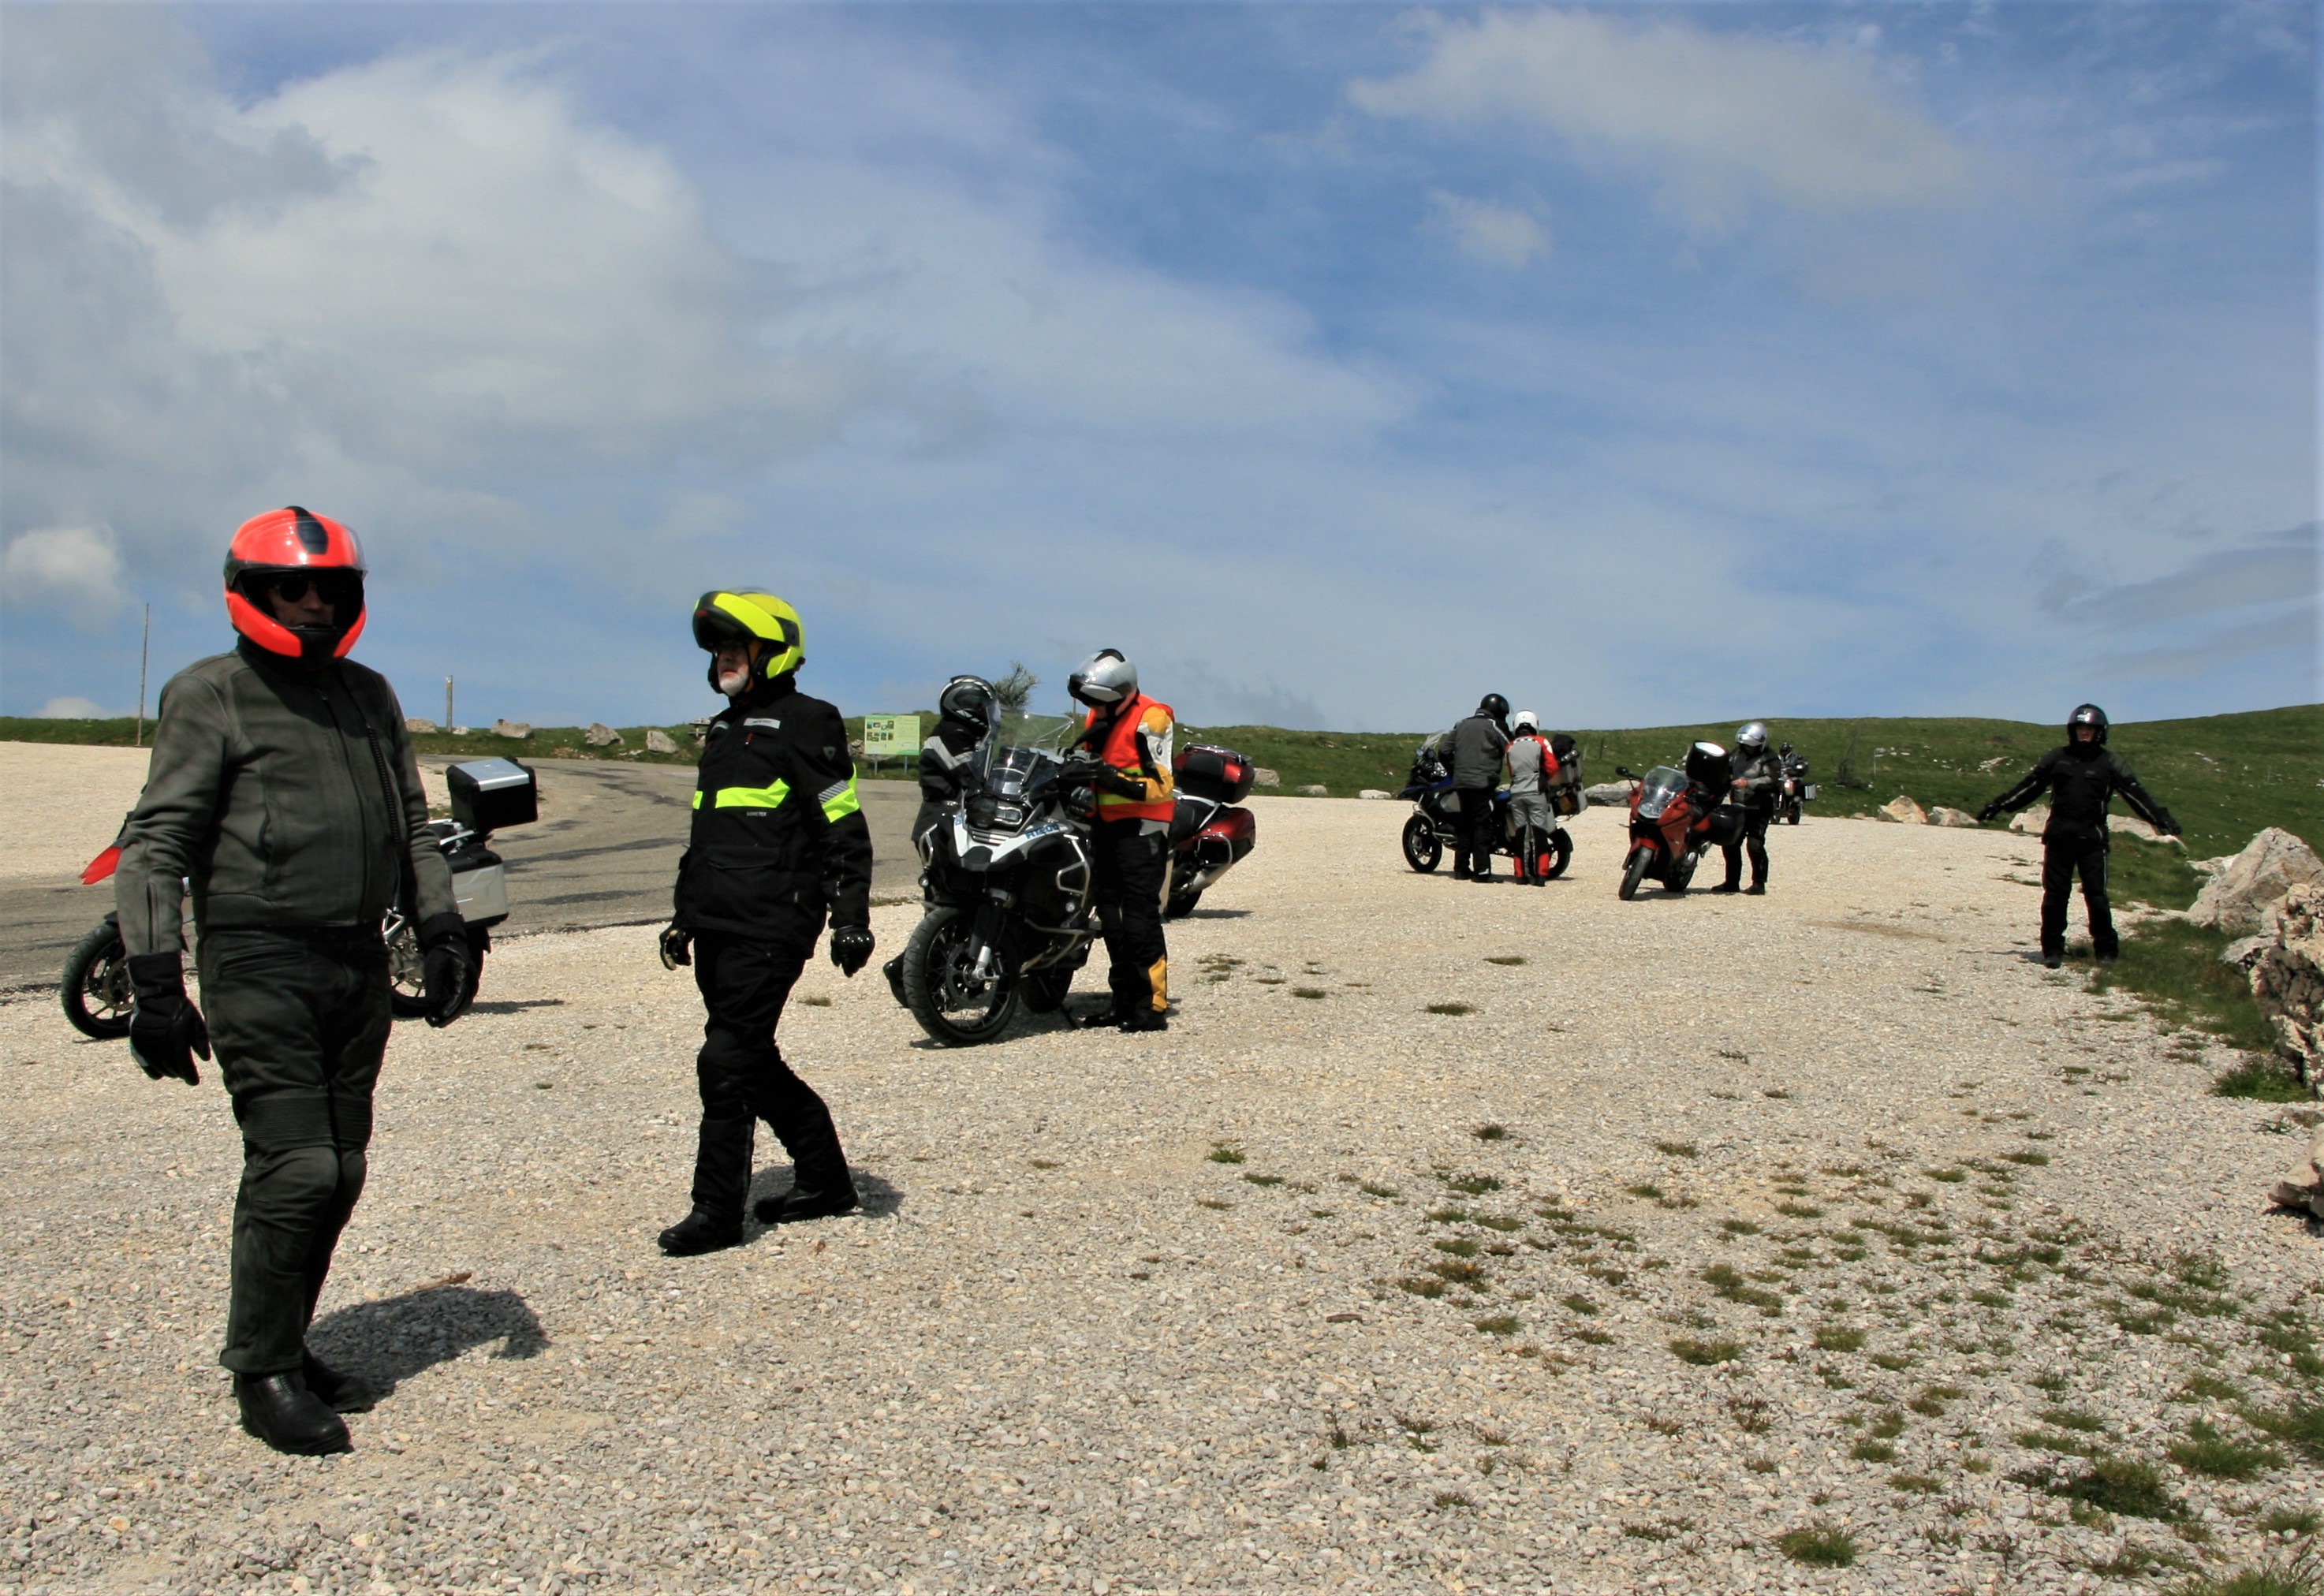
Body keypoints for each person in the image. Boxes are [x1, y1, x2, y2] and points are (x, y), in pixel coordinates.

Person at [114, 506, 472, 1456]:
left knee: (341, 1166)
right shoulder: (211, 693)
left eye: (329, 588)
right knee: (298, 1164)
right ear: (252, 592)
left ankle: (287, 1339)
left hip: (356, 959)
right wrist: (156, 982)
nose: (312, 601)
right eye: (291, 587)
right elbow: (156, 841)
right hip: (258, 955)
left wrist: (442, 928)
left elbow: (412, 821)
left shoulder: (368, 693)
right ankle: (261, 1370)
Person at [655, 589, 875, 1256]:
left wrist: (850, 917)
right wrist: (683, 916)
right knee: (751, 1058)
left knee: (724, 1061)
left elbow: (841, 822)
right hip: (717, 920)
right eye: (718, 649)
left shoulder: (810, 720)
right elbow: (707, 836)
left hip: (774, 921)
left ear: (774, 653)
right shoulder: (723, 731)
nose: (724, 658)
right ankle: (826, 1181)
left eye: (736, 646)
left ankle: (716, 1212)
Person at [1979, 703, 2180, 968]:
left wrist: (2160, 818)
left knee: (2097, 896)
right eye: (2080, 729)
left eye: (2090, 729)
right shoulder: (2057, 758)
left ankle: (2106, 951)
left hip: (2092, 840)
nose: (2084, 733)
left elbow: (2135, 794)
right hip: (2059, 837)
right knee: (2055, 896)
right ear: (2072, 731)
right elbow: (2030, 786)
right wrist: (2000, 804)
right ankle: (2052, 950)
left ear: (2100, 732)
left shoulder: (2111, 763)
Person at [1066, 649, 1175, 1032]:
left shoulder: (1152, 717)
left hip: (1142, 829)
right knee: (1111, 918)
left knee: (1138, 919)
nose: (1093, 708)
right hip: (1105, 828)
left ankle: (1151, 1007)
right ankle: (1123, 1002)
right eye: (1090, 702)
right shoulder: (1099, 714)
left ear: (1121, 695)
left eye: (1099, 702)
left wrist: (1109, 777)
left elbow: (1161, 785)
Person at [1448, 694, 1511, 881]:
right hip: (1483, 783)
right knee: (1482, 825)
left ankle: (1461, 869)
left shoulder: (1461, 724)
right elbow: (1511, 748)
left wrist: (1455, 771)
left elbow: (1444, 751)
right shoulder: (1494, 725)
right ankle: (1481, 871)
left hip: (1461, 782)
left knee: (1464, 825)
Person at [1712, 722, 1779, 894]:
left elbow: (1771, 780)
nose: (1748, 748)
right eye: (1745, 745)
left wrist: (1748, 783)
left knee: (1755, 845)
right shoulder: (1737, 754)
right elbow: (1725, 769)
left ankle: (1759, 883)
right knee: (1731, 844)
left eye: (1752, 746)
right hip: (1738, 806)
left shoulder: (1770, 757)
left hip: (1759, 808)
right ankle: (1731, 882)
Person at [1503, 710, 1556, 886]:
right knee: (1539, 833)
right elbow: (1552, 766)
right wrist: (1543, 778)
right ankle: (1540, 875)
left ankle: (1520, 875)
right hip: (1536, 791)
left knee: (1520, 834)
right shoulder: (1541, 742)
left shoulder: (1510, 746)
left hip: (1517, 792)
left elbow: (1511, 771)